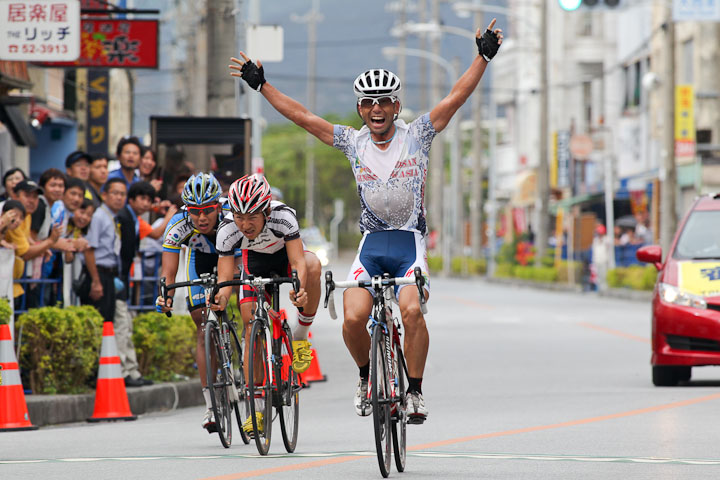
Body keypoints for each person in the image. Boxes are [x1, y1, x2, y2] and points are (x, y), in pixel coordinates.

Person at [230, 18, 503, 423]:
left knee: (410, 312)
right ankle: (364, 378)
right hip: (371, 244)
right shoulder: (351, 141)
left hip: (409, 242)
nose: (377, 109)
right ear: (360, 108)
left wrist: (482, 56)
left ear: (396, 106)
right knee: (354, 317)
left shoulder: (419, 134)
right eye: (369, 103)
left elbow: (455, 98)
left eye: (384, 101)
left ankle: (414, 392)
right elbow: (304, 117)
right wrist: (263, 85)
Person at [211, 174, 322, 437]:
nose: (245, 224)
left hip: (285, 257)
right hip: (255, 263)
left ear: (266, 210)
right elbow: (225, 277)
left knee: (314, 265)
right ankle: (257, 410)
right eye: (239, 216)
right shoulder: (227, 229)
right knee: (251, 326)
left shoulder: (283, 217)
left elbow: (298, 263)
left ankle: (300, 336)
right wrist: (221, 298)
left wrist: (298, 290)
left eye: (252, 217)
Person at [154, 173, 228, 432]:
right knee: (202, 324)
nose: (202, 217)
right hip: (200, 261)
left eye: (208, 210)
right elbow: (169, 272)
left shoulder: (232, 215)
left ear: (218, 205)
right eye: (195, 211)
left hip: (233, 258)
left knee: (245, 306)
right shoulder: (178, 223)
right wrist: (166, 295)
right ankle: (210, 405)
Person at [115, 181, 161, 387]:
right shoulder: (123, 217)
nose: (145, 203)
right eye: (141, 198)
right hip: (117, 276)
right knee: (122, 325)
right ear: (131, 199)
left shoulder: (134, 219)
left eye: (148, 200)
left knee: (126, 324)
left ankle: (131, 371)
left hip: (123, 277)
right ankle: (124, 372)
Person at [82, 178, 126, 323]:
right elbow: (89, 250)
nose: (119, 197)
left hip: (109, 274)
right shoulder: (99, 216)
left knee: (108, 319)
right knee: (98, 320)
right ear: (104, 195)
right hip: (98, 273)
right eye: (115, 193)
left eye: (123, 194)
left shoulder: (113, 217)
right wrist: (96, 281)